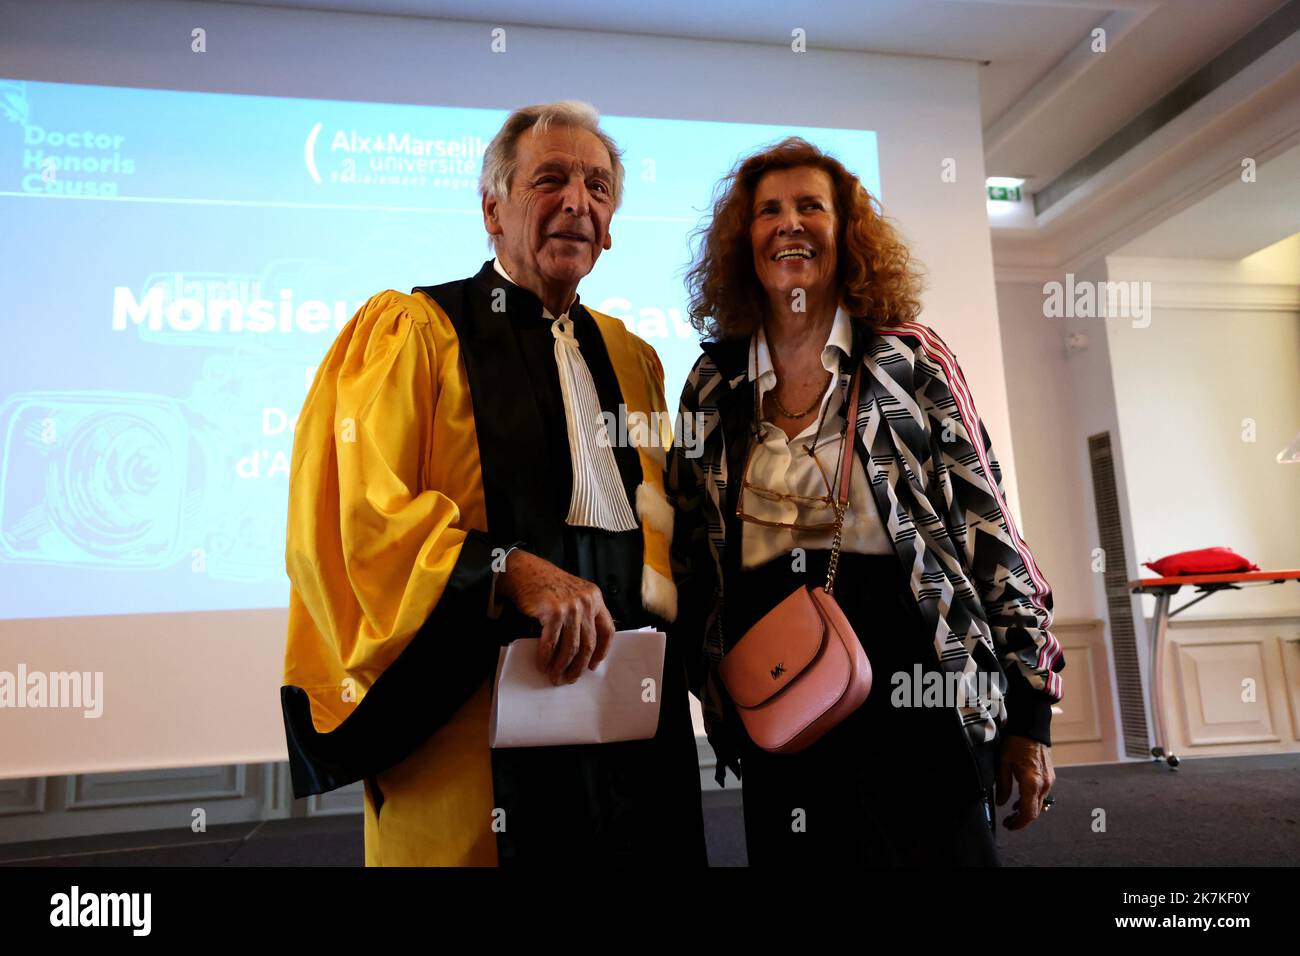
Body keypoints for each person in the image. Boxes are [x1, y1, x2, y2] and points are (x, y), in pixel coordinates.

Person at [279, 101, 706, 866]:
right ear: (492, 207)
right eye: (550, 179)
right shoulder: (413, 333)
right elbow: (361, 523)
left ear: (609, 224)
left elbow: (663, 535)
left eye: (598, 187)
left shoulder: (632, 357)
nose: (579, 201)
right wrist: (508, 570)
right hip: (470, 731)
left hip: (626, 732)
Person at [668, 136, 1065, 866]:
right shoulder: (712, 381)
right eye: (769, 211)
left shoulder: (909, 358)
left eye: (810, 207)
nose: (789, 223)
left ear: (846, 233)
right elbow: (691, 555)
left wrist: (1030, 713)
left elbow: (992, 533)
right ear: (742, 239)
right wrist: (718, 693)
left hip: (913, 686)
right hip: (777, 689)